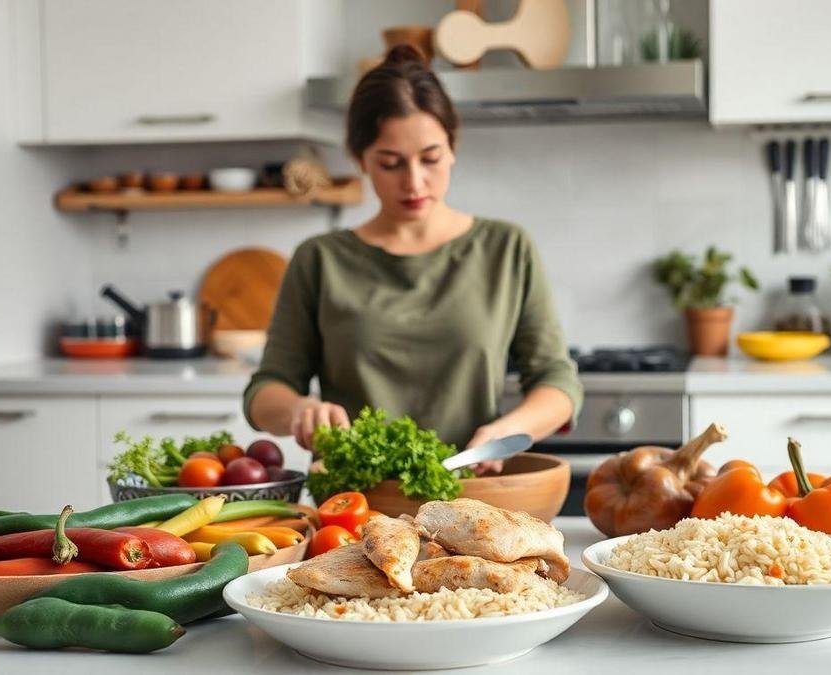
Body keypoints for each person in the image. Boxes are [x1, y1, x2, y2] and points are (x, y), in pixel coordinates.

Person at [243, 45, 582, 473]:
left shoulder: (506, 248)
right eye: (391, 164)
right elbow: (264, 392)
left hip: (470, 506)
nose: (414, 181)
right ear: (360, 159)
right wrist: (299, 410)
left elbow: (558, 381)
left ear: (453, 146)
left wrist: (509, 428)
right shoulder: (320, 260)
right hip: (353, 509)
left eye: (431, 158)